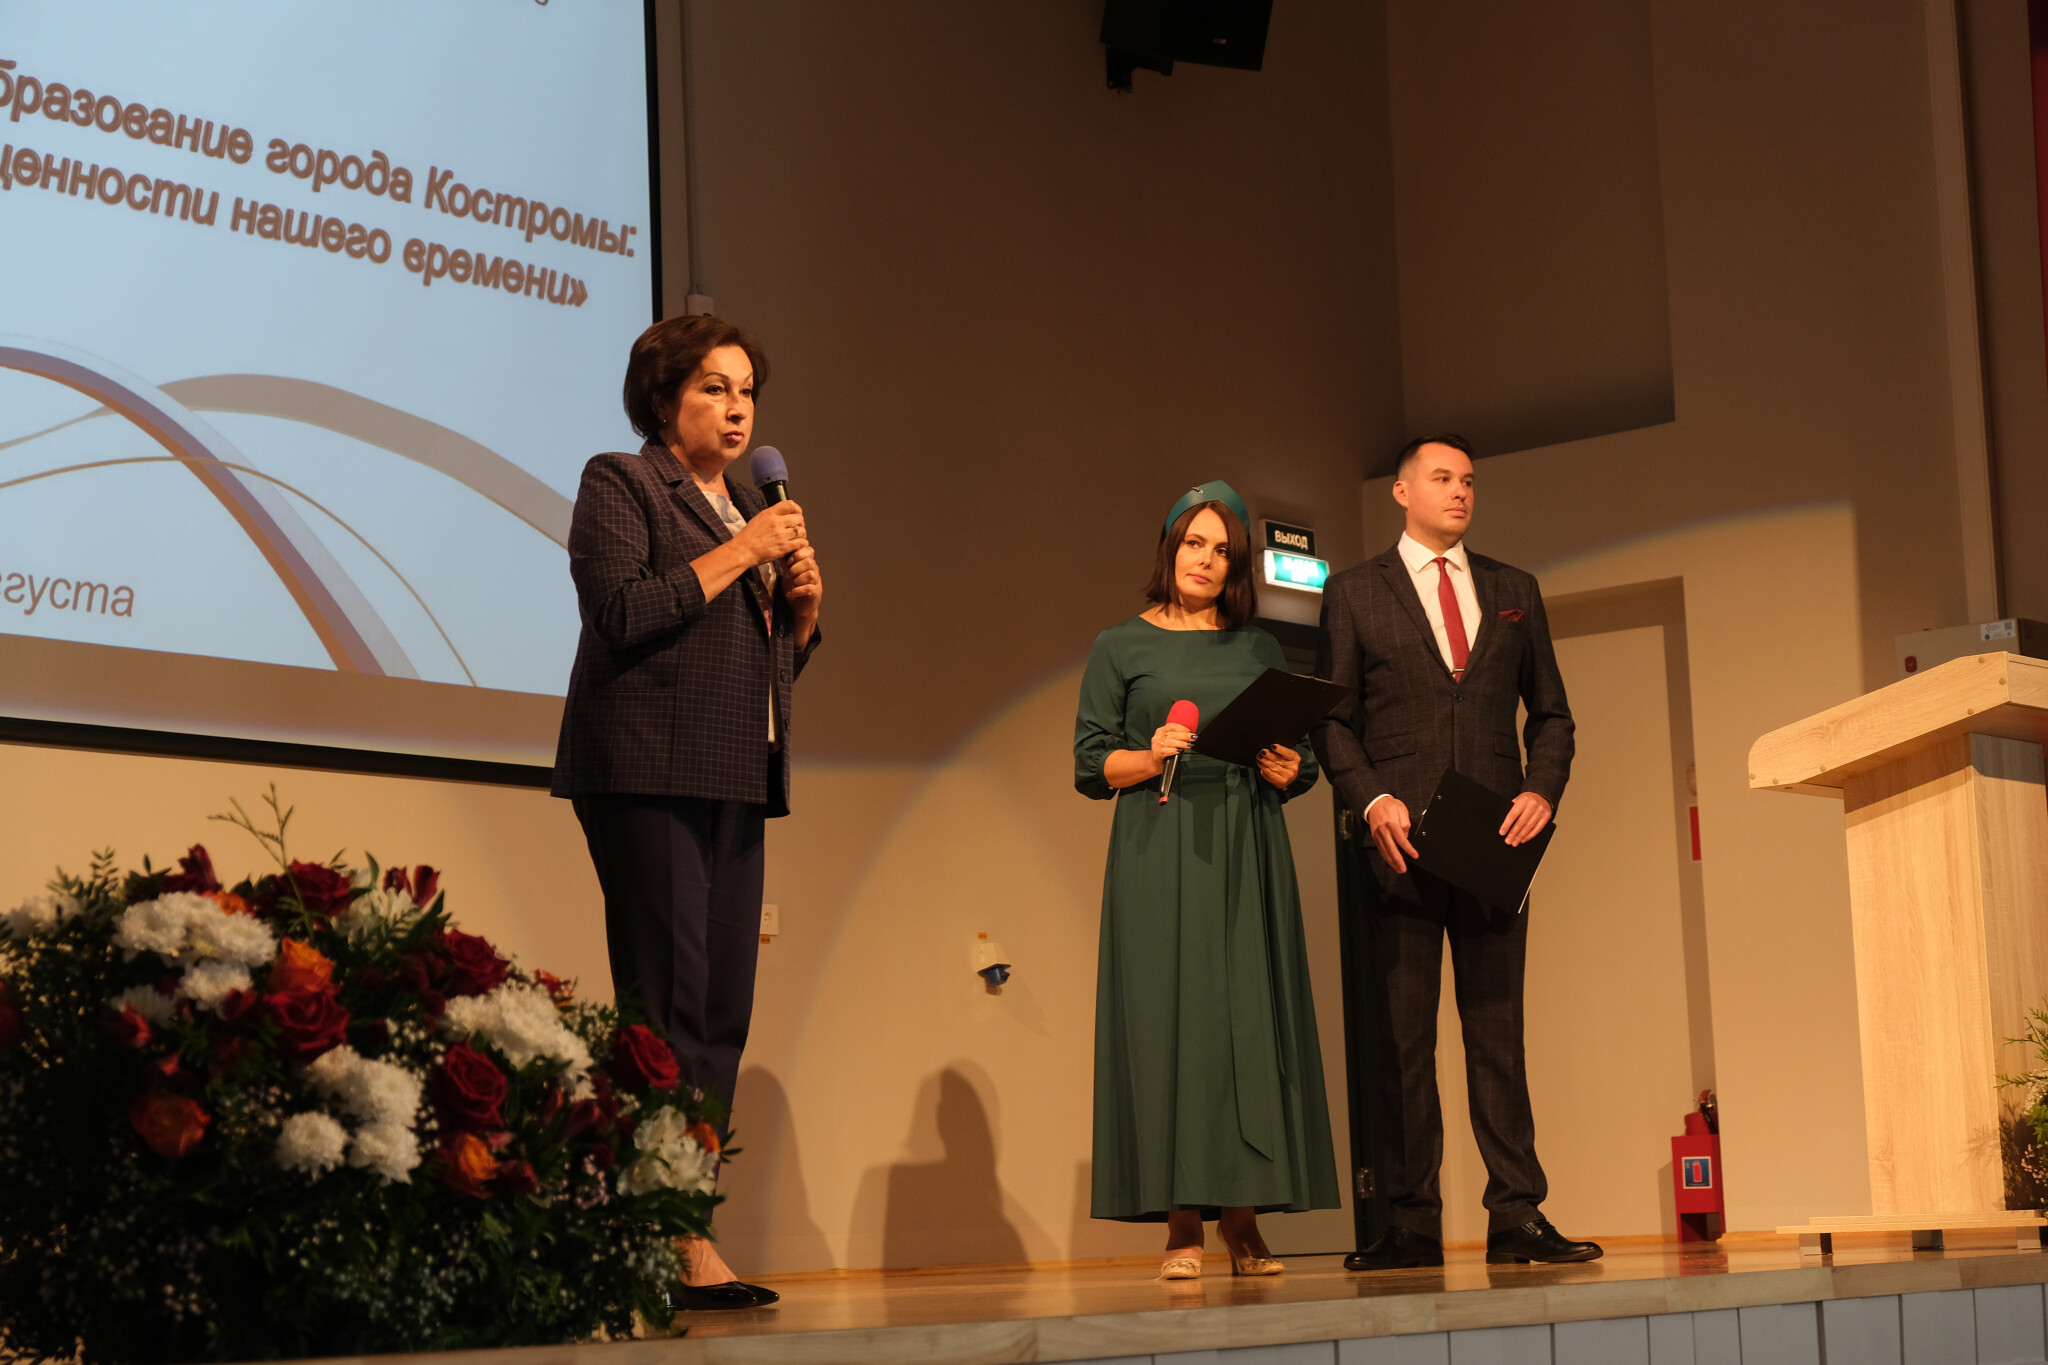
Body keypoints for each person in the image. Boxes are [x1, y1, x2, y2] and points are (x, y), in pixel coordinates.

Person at [552, 314, 823, 1310]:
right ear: (664, 400)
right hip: (646, 768)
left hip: (733, 773)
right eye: (715, 386)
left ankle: (685, 1222)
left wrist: (798, 622)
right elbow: (621, 613)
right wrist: (744, 551)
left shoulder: (747, 505)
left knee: (718, 1014)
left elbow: (741, 667)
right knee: (667, 1005)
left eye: (747, 388)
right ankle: (655, 1234)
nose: (738, 407)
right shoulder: (623, 483)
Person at [1312, 435, 1599, 1270]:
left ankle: (1516, 1213)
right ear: (1402, 490)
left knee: (1498, 1036)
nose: (1460, 491)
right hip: (1400, 843)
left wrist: (1542, 790)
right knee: (1405, 1042)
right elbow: (1331, 720)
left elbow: (1552, 714)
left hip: (1493, 840)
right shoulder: (1354, 591)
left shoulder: (1514, 590)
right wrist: (1371, 798)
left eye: (1468, 480)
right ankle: (1411, 1221)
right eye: (1442, 478)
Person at [1073, 480, 1340, 1281]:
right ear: (1170, 547)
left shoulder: (1258, 648)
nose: (1207, 559)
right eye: (1195, 542)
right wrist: (1150, 752)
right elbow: (1091, 763)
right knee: (1173, 1023)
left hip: (1246, 841)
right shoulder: (1119, 645)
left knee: (1246, 1022)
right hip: (1159, 844)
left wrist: (1293, 770)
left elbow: (1301, 758)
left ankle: (1244, 1216)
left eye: (1223, 550)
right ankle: (1182, 1220)